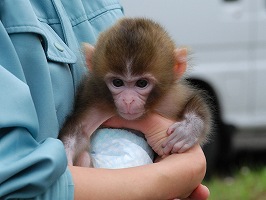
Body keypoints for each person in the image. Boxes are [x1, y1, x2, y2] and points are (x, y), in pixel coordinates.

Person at [0, 0, 209, 199]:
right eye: (117, 83)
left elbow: (194, 108)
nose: (128, 100)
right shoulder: (95, 95)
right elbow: (74, 135)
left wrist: (192, 125)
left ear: (177, 69)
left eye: (142, 84)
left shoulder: (172, 94)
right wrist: (177, 174)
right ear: (91, 64)